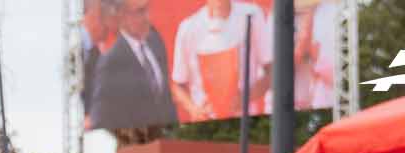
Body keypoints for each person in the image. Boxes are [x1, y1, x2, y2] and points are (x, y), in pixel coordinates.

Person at [170, 0, 270, 123]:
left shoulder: (252, 15)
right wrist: (194, 110)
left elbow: (272, 72)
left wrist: (244, 98)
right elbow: (178, 84)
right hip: (207, 123)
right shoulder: (188, 27)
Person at [89, 0, 179, 130]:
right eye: (140, 12)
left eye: (147, 9)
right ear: (122, 16)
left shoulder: (155, 41)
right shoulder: (110, 63)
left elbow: (166, 98)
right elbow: (101, 118)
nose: (147, 18)